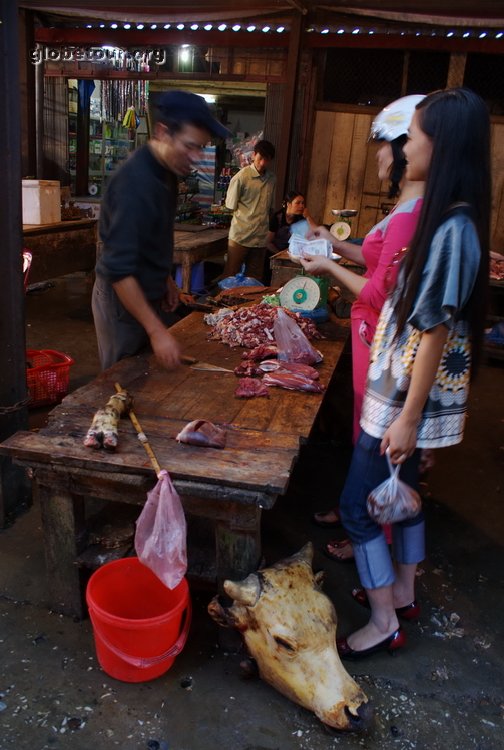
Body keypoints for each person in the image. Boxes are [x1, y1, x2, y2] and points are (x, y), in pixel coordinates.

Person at [334, 87, 490, 659]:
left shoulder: (451, 229)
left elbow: (434, 330)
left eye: (414, 136)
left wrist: (408, 420)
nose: (404, 147)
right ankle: (402, 591)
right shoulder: (450, 219)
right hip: (401, 394)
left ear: (440, 146)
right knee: (406, 493)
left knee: (358, 505)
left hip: (397, 398)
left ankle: (382, 621)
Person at [301, 94, 426, 561]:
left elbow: (377, 293)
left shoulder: (412, 215)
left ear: (403, 151)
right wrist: (334, 246)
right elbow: (374, 261)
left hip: (379, 340)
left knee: (373, 436)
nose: (378, 153)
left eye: (387, 144)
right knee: (361, 430)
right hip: (368, 336)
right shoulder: (404, 208)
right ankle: (357, 507)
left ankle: (370, 531)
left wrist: (328, 269)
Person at [92, 90, 230, 371]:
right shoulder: (135, 184)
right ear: (162, 132)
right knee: (124, 376)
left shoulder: (167, 170)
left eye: (201, 148)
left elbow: (153, 236)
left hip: (147, 289)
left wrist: (166, 280)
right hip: (122, 297)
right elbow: (119, 270)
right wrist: (156, 331)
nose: (196, 157)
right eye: (190, 146)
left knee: (150, 373)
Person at [220, 139, 276, 282]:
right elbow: (230, 205)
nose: (263, 163)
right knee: (230, 277)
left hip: (260, 238)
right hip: (240, 236)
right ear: (253, 156)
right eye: (260, 158)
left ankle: (249, 305)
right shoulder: (241, 177)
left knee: (254, 280)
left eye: (267, 160)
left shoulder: (272, 179)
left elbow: (269, 207)